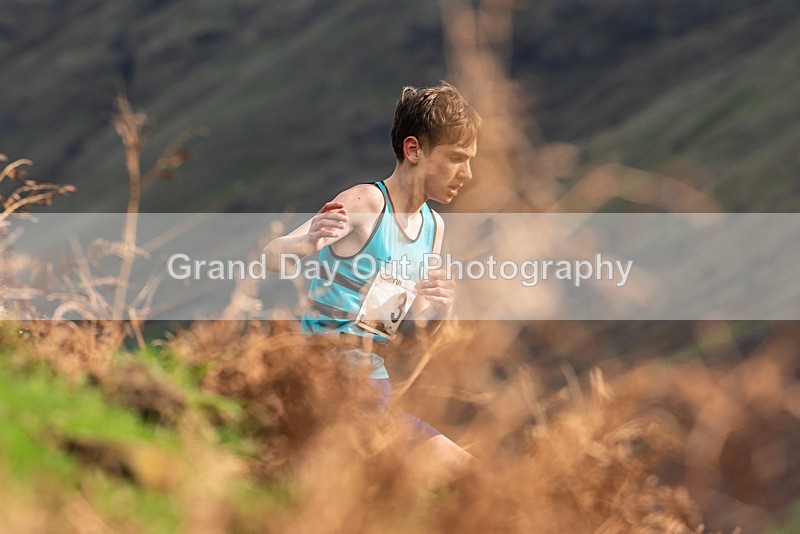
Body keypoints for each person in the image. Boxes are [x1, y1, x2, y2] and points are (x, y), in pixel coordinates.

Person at [264, 81, 481, 482]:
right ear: (413, 150)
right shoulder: (366, 202)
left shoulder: (433, 228)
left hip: (374, 385)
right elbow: (271, 257)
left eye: (470, 161)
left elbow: (414, 337)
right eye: (455, 158)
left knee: (463, 478)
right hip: (321, 376)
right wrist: (306, 243)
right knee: (465, 475)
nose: (467, 174)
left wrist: (441, 308)